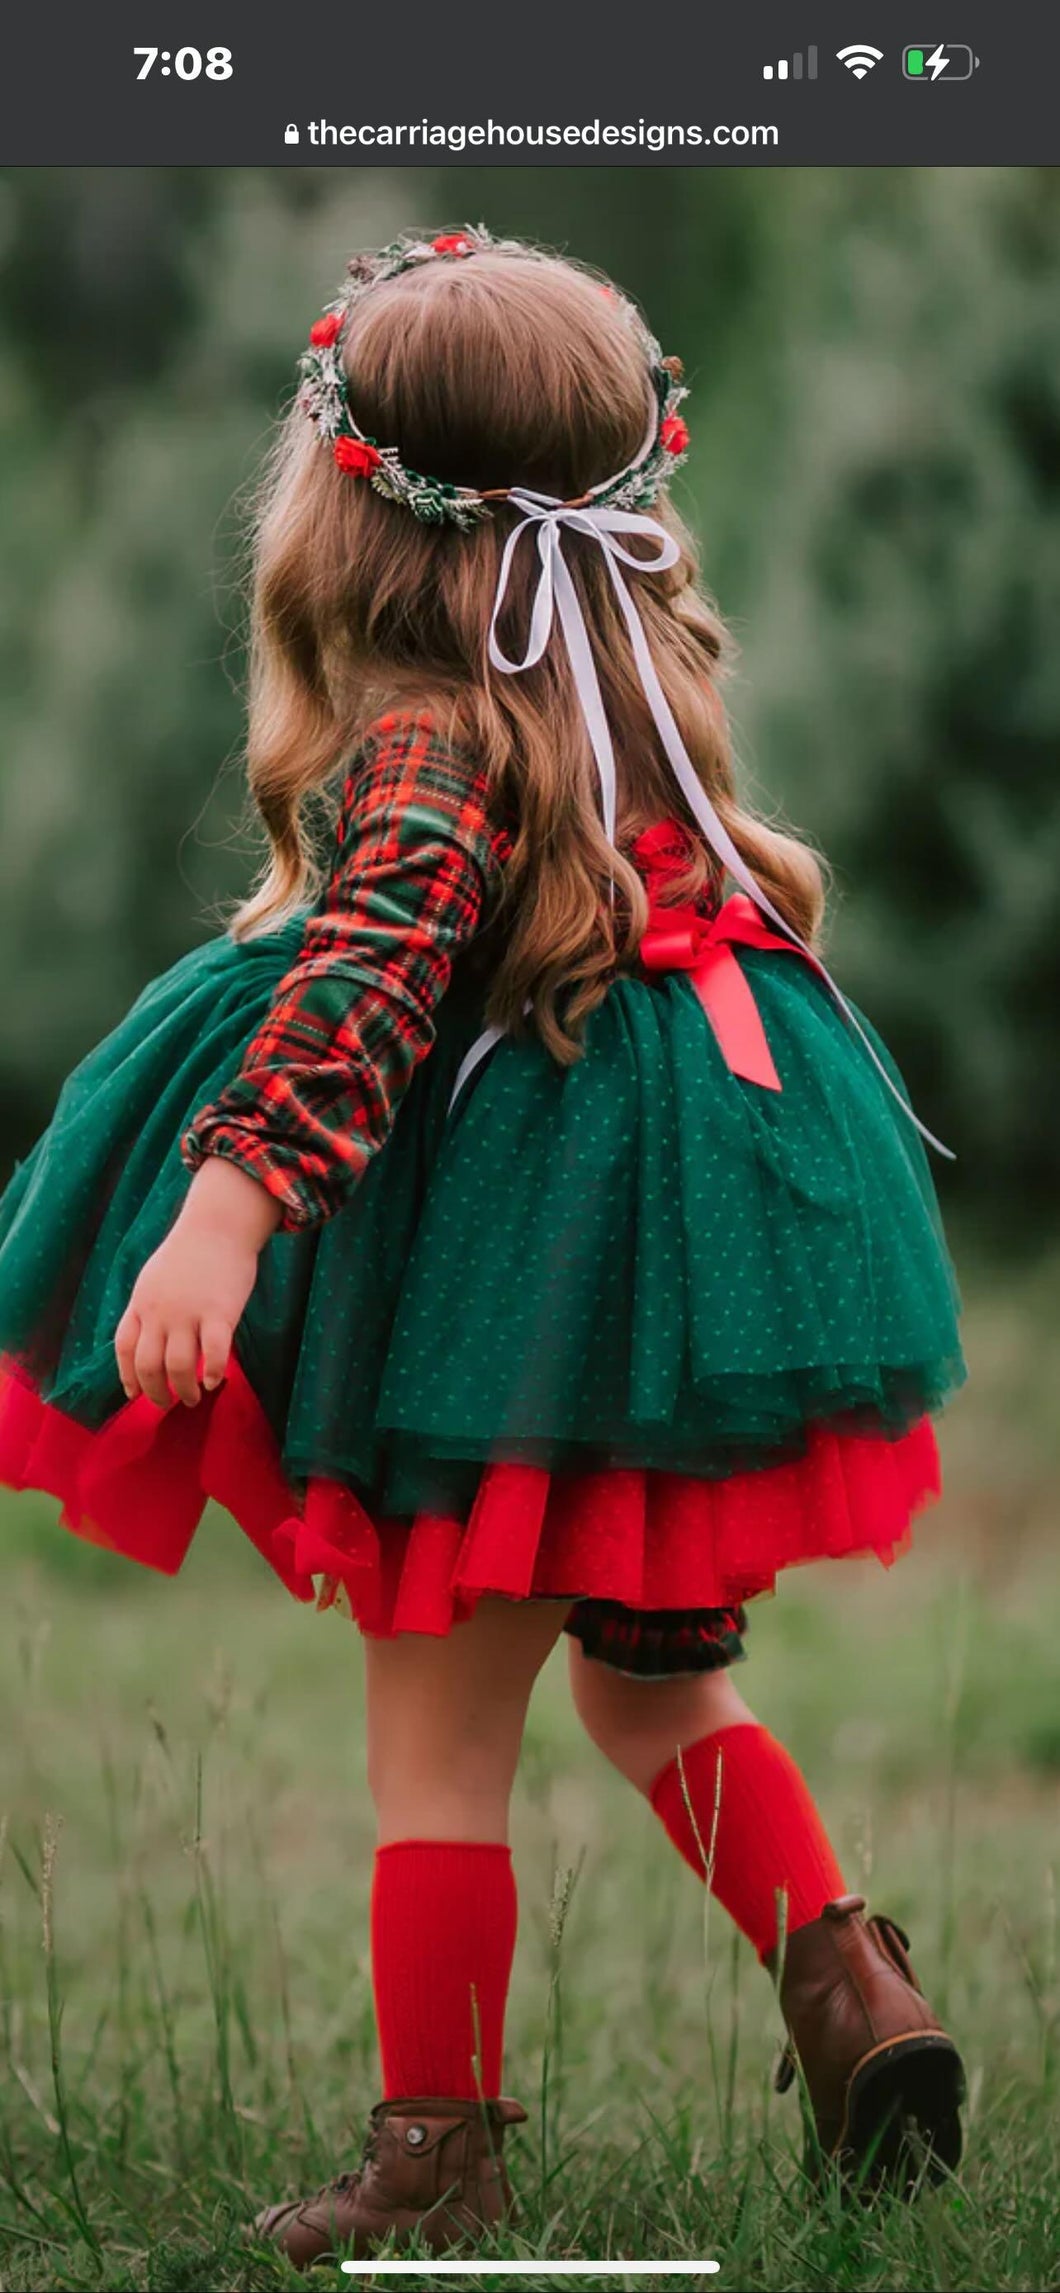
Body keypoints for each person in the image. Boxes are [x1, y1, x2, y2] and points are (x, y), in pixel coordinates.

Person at [0, 227, 966, 2266]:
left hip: (509, 1312)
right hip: (680, 1293)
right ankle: (855, 1993)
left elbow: (357, 984)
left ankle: (433, 2163)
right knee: (651, 1703)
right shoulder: (635, 696)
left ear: (353, 515)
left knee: (434, 1743)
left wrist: (222, 1210)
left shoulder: (435, 735)